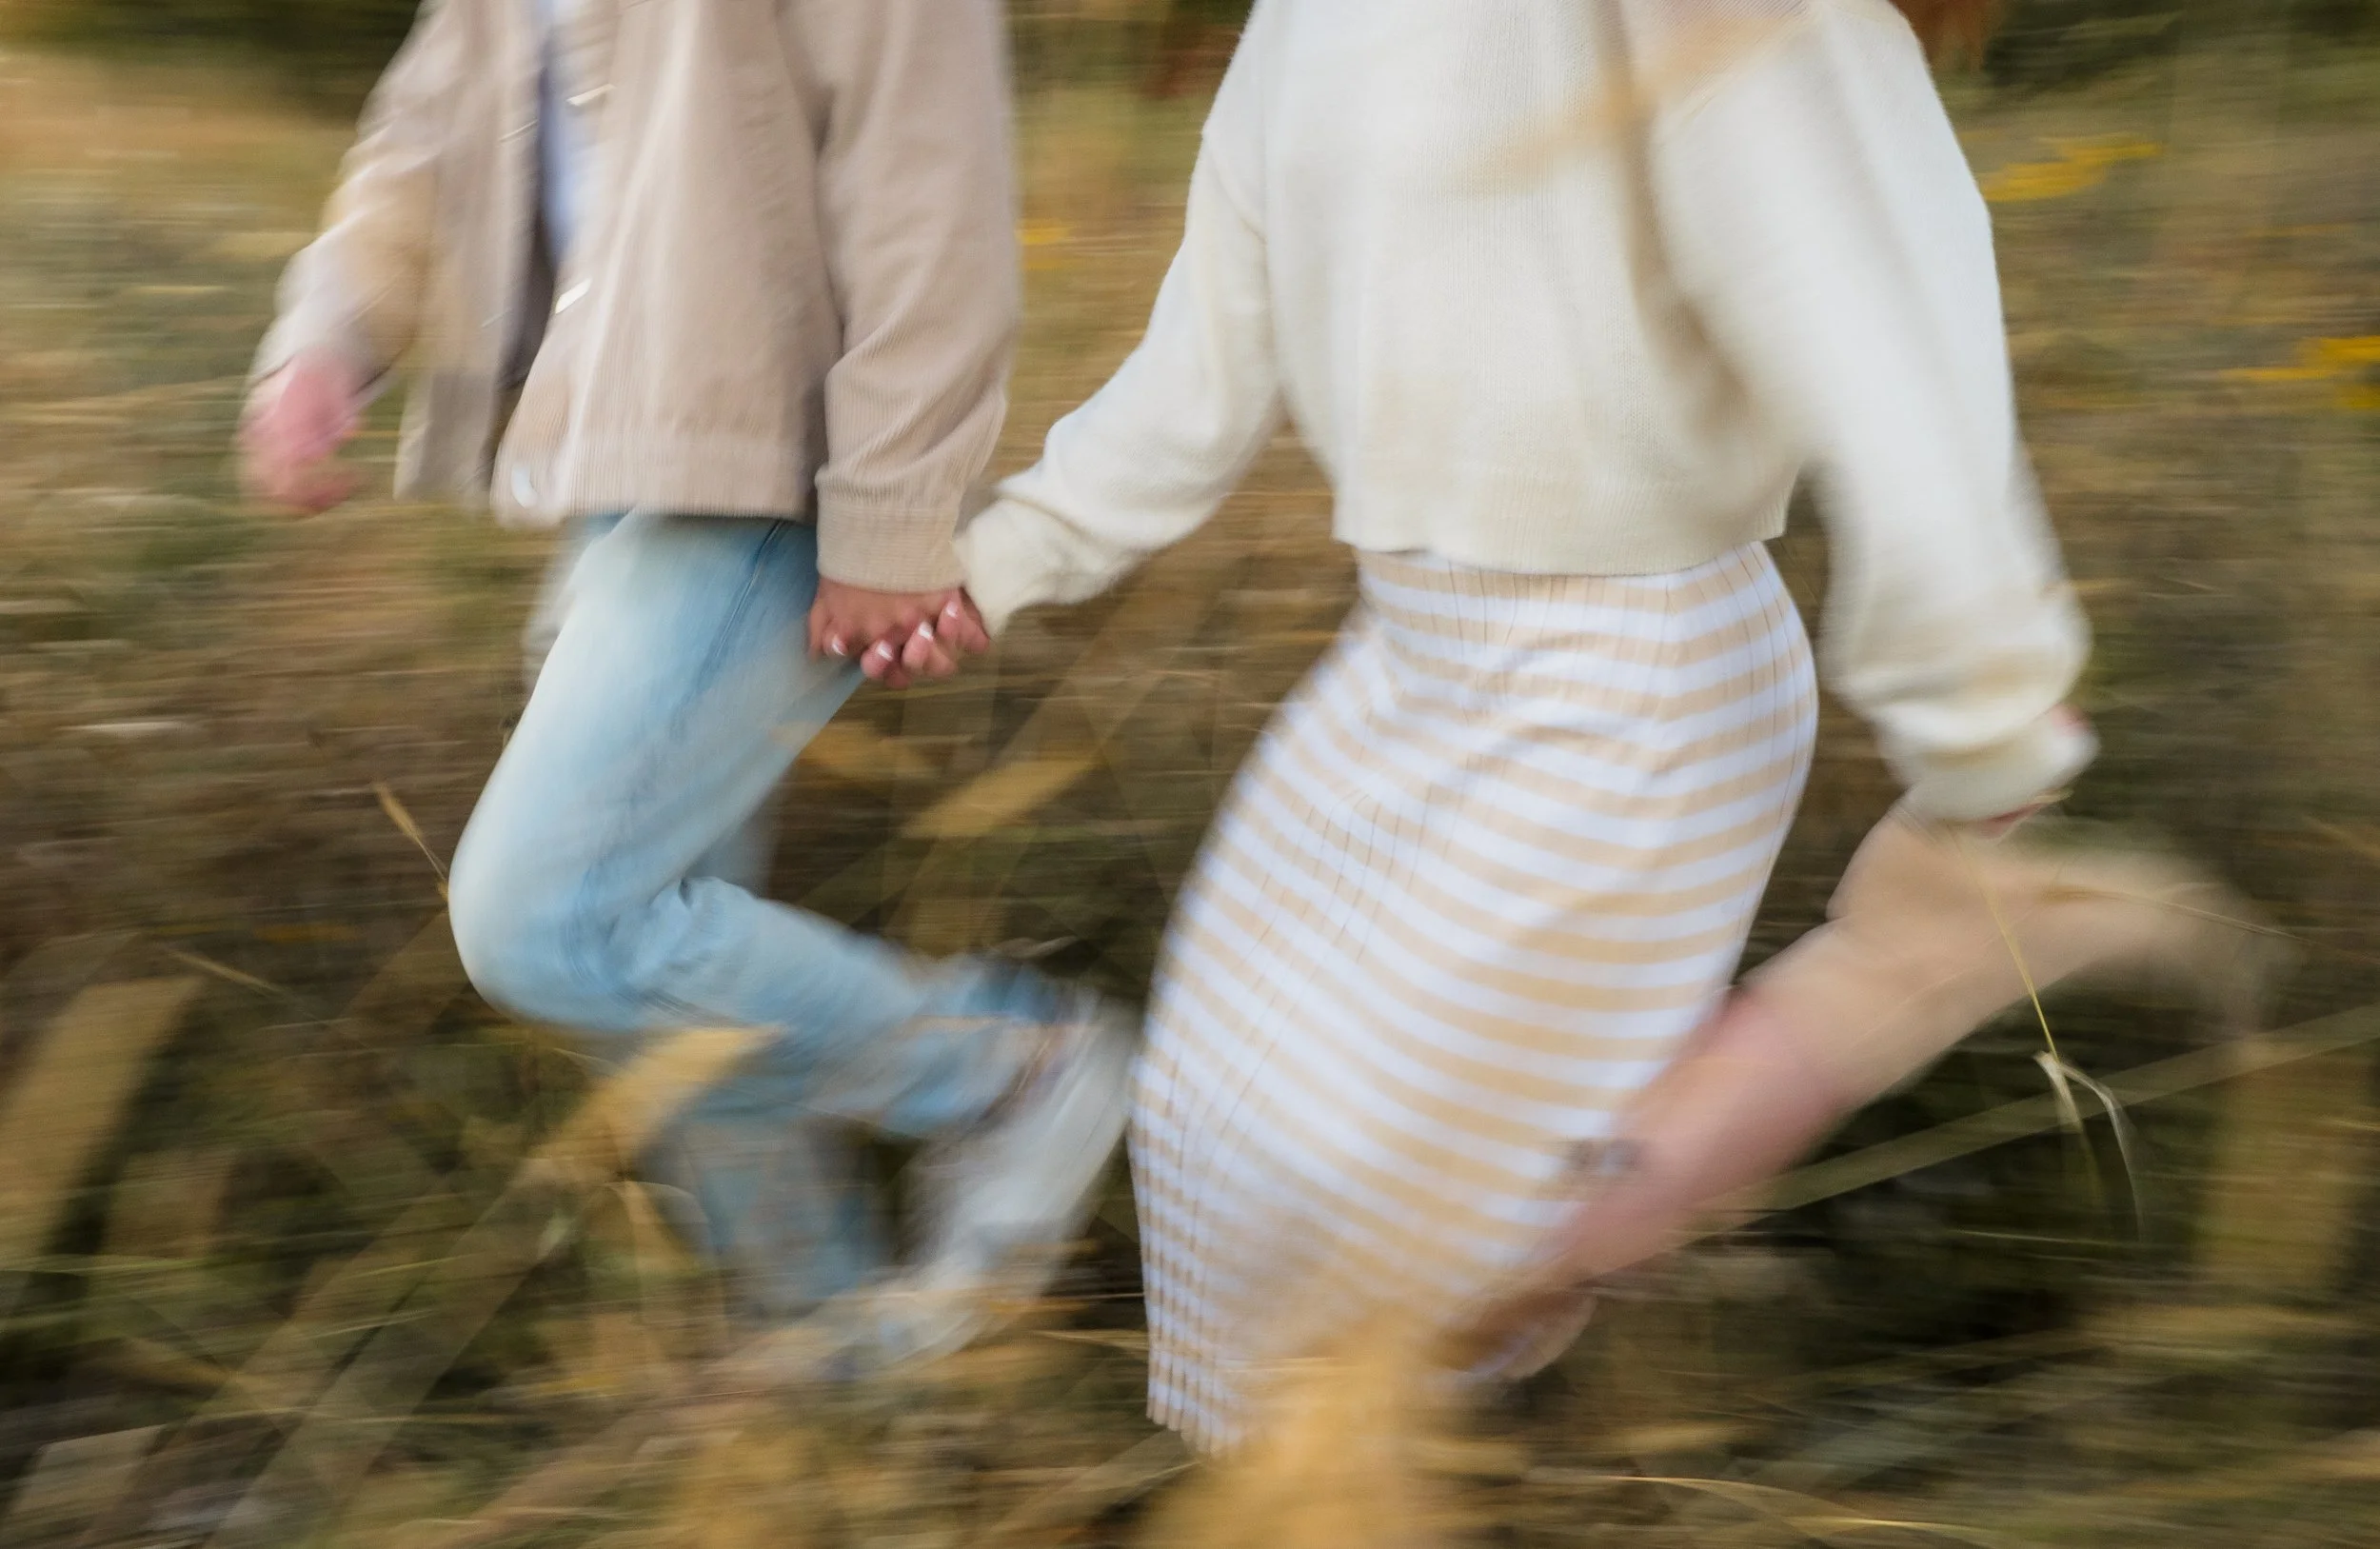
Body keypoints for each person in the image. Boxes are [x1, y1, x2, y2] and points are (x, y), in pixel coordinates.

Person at [948, 0, 2259, 1451]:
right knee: (1218, 1145)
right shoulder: (1306, 20)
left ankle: (1898, 965)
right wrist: (998, 564)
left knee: (1452, 1239)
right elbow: (1197, 372)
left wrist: (1979, 707)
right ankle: (1307, 1492)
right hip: (1404, 659)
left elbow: (1884, 336)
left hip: (1630, 677)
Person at [237, 0, 1132, 1362]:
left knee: (555, 921)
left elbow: (928, 190)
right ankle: (837, 1372)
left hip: (772, 466)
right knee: (673, 962)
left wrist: (892, 514)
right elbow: (430, 132)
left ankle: (1018, 1074)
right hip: (618, 463)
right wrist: (326, 337)